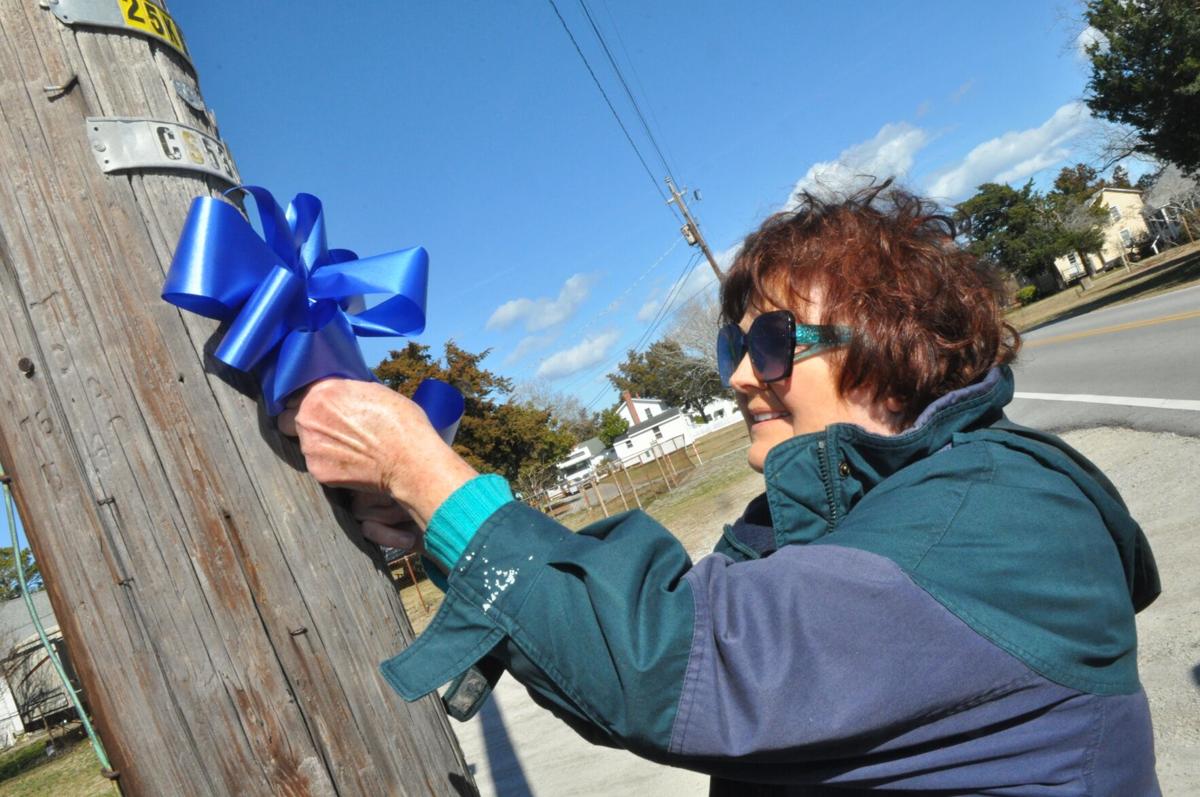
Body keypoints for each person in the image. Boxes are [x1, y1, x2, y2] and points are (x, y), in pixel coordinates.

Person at [279, 183, 1161, 795]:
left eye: (772, 342)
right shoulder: (850, 513)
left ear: (901, 345)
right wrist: (441, 517)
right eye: (730, 349)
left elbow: (677, 660)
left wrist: (423, 469)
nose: (739, 377)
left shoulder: (995, 517)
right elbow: (658, 611)